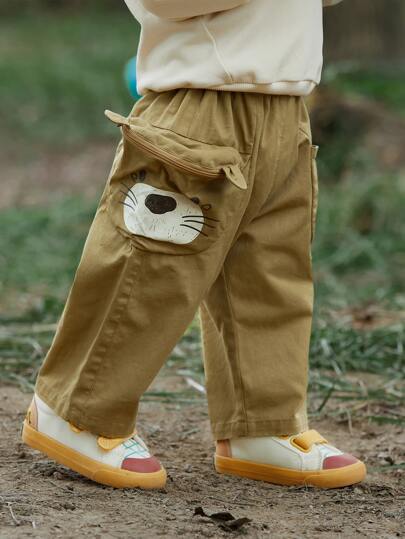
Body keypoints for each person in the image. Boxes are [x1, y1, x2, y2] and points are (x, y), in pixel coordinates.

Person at [22, 0, 366, 489]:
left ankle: (262, 423)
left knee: (269, 274)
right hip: (201, 105)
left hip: (288, 110)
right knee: (150, 268)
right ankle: (77, 410)